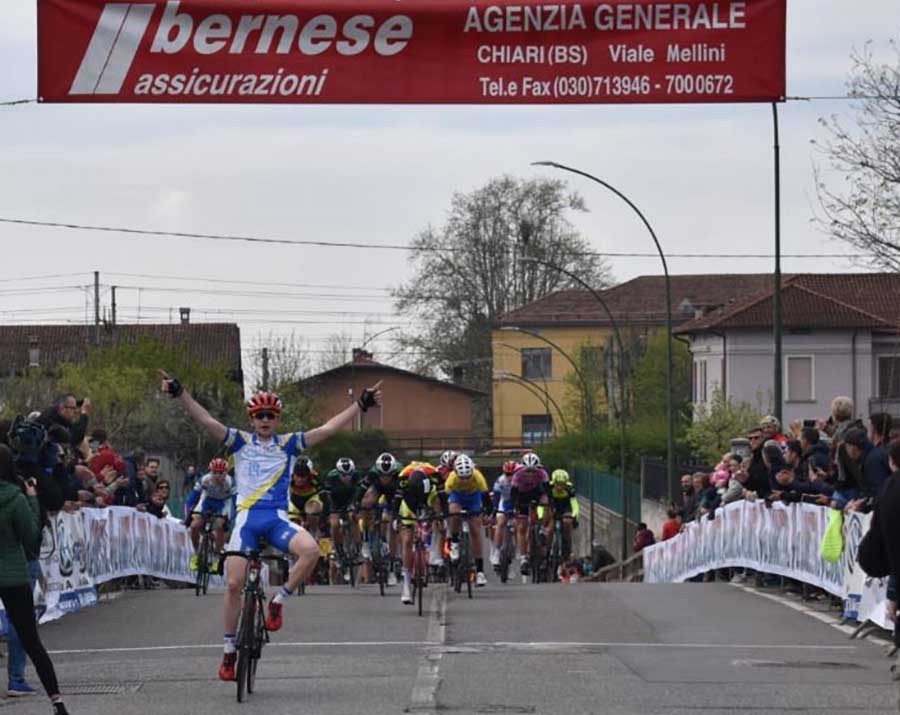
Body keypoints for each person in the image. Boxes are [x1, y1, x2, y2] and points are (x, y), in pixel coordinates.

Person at [160, 369, 381, 682]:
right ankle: (228, 651)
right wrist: (181, 393)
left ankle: (278, 602)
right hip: (247, 521)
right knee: (234, 585)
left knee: (311, 551)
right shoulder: (239, 441)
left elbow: (327, 428)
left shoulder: (289, 444)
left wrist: (359, 405)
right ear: (252, 419)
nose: (265, 420)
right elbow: (207, 421)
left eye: (271, 415)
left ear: (277, 419)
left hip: (276, 518)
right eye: (259, 415)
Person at [0, 445, 69, 714]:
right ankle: (57, 701)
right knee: (31, 641)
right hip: (13, 574)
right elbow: (31, 539)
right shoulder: (15, 498)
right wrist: (32, 499)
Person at [392, 469, 443, 604]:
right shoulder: (406, 491)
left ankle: (432, 552)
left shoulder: (431, 488)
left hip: (426, 507)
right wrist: (396, 519)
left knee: (435, 524)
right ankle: (406, 583)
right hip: (408, 511)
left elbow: (437, 502)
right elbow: (396, 506)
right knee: (407, 541)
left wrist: (438, 517)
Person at [444, 454, 491, 587]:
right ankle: (454, 542)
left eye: (467, 477)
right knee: (454, 512)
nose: (464, 480)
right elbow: (444, 497)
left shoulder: (478, 476)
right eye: (462, 477)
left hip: (473, 498)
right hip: (457, 497)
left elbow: (486, 498)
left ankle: (480, 572)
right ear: (456, 473)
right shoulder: (452, 477)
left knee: (476, 531)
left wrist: (487, 512)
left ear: (472, 472)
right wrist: (444, 512)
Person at [358, 452, 403, 586]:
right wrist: (355, 504)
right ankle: (365, 540)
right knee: (366, 503)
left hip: (394, 495)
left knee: (392, 527)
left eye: (388, 475)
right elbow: (361, 491)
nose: (385, 478)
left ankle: (391, 568)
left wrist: (396, 515)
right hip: (378, 490)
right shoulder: (372, 473)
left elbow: (402, 498)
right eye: (382, 475)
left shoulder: (401, 474)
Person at [184, 458, 235, 571]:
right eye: (214, 472)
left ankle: (216, 558)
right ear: (210, 471)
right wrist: (188, 514)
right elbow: (191, 499)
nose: (217, 475)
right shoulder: (204, 480)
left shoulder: (230, 482)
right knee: (194, 526)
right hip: (207, 501)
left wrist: (230, 519)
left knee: (220, 526)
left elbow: (235, 503)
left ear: (226, 472)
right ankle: (196, 554)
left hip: (223, 503)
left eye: (220, 473)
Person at [509, 451, 550, 576]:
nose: (530, 474)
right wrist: (514, 507)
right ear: (523, 469)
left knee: (545, 502)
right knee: (522, 527)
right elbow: (513, 494)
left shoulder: (542, 473)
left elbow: (547, 491)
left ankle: (542, 527)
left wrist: (548, 505)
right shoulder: (518, 475)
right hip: (522, 496)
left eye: (533, 471)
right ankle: (523, 558)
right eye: (528, 471)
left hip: (537, 493)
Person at [322, 458, 363, 576]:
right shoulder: (331, 477)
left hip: (350, 500)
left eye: (349, 474)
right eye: (343, 475)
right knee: (334, 524)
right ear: (338, 472)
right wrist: (330, 511)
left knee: (354, 518)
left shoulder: (357, 475)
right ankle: (339, 550)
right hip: (335, 502)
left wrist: (356, 506)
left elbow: (361, 493)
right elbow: (327, 497)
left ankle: (357, 548)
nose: (347, 477)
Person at [489, 460, 517, 570]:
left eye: (512, 474)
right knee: (500, 523)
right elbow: (496, 496)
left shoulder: (519, 480)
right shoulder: (500, 480)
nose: (510, 477)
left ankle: (517, 548)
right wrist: (495, 509)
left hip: (516, 502)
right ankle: (496, 551)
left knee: (519, 524)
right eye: (508, 474)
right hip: (504, 501)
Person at [548, 469, 578, 564]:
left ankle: (566, 549)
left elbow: (575, 505)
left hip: (565, 506)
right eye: (557, 484)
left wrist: (574, 517)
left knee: (567, 523)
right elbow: (542, 504)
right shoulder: (549, 488)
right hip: (553, 505)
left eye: (562, 484)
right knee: (549, 530)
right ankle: (546, 551)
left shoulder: (570, 489)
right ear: (554, 482)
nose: (560, 487)